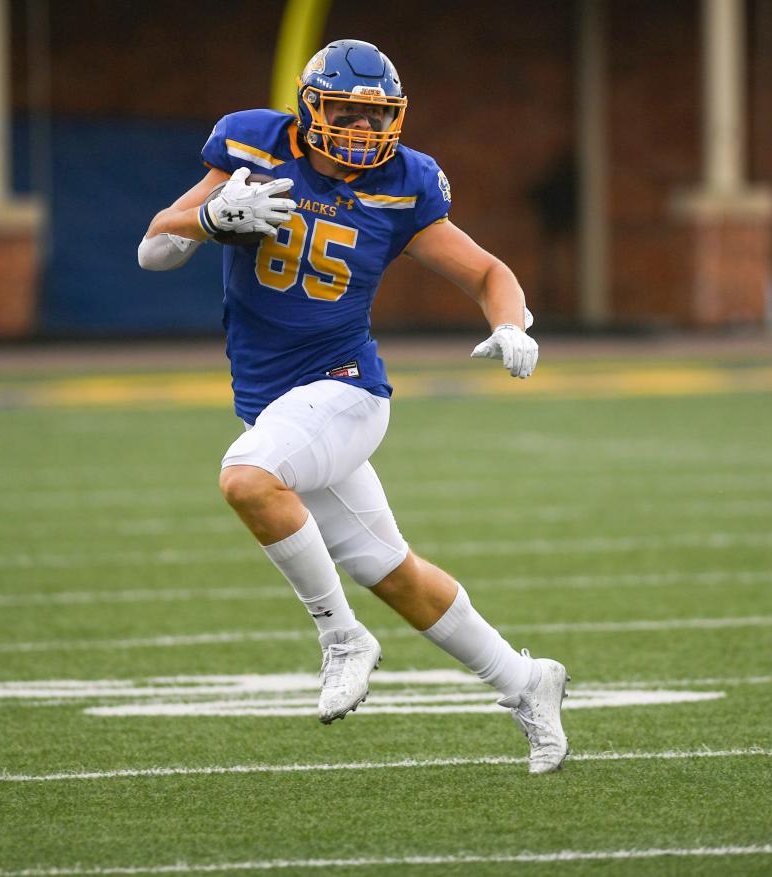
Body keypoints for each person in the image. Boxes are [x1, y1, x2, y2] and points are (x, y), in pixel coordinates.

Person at [138, 39, 568, 774]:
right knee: (389, 568)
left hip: (345, 389)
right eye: (348, 113)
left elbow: (487, 271)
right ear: (310, 108)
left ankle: (343, 639)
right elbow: (154, 247)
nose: (364, 132)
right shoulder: (254, 144)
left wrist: (510, 322)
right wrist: (210, 218)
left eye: (376, 118)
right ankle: (528, 680)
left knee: (246, 478)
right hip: (278, 402)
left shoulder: (405, 184)